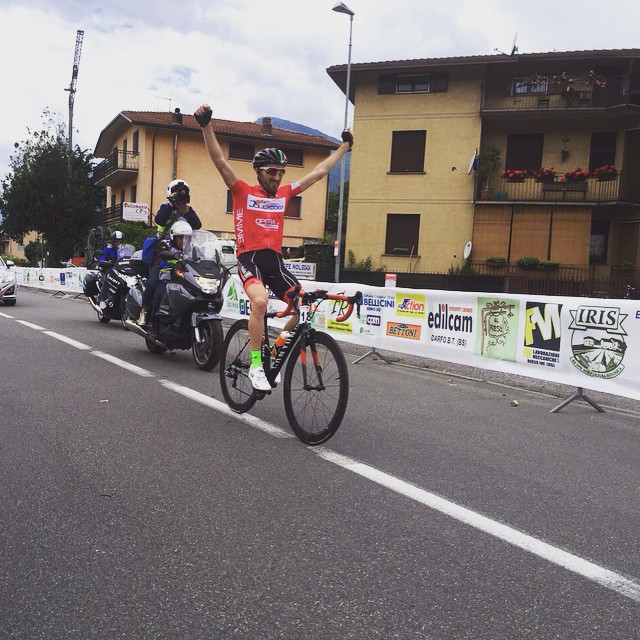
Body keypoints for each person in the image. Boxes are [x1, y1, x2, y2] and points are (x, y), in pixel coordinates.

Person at [194, 103, 354, 391]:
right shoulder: (242, 191)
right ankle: (256, 365)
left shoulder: (284, 194)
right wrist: (206, 126)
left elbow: (319, 172)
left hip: (275, 262)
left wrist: (345, 147)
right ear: (258, 171)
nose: (277, 177)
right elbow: (219, 161)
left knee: (304, 304)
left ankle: (276, 347)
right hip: (250, 260)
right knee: (259, 302)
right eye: (272, 171)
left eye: (281, 172)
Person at [137, 179, 202, 326]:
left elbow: (197, 225)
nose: (180, 196)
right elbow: (159, 220)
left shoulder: (188, 210)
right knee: (153, 282)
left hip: (182, 253)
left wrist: (185, 210)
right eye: (177, 193)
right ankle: (144, 311)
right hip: (161, 254)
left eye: (183, 193)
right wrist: (171, 203)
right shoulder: (165, 207)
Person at [148, 220, 193, 335]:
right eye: (180, 237)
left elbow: (200, 259)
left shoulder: (192, 249)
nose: (183, 240)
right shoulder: (165, 245)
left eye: (186, 238)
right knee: (160, 295)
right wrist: (164, 263)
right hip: (167, 279)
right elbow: (158, 258)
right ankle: (154, 324)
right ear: (174, 237)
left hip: (186, 280)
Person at [97, 230, 125, 309]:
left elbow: (130, 257)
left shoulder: (124, 250)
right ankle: (101, 299)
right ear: (113, 241)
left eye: (120, 241)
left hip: (121, 271)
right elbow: (102, 258)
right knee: (107, 280)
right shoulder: (108, 249)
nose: (119, 243)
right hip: (109, 270)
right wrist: (104, 262)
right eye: (117, 241)